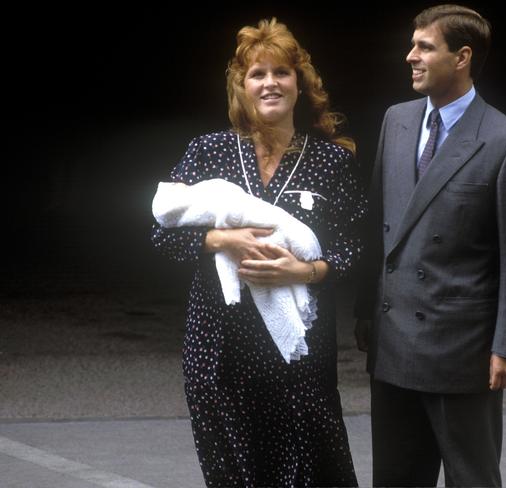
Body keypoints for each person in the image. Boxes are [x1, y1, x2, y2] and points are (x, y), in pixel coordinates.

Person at [152, 18, 365, 487]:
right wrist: (220, 239)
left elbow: (355, 247)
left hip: (298, 347)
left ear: (300, 84)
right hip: (218, 343)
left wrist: (306, 270)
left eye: (281, 72)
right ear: (241, 87)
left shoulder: (332, 161)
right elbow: (161, 235)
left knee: (308, 465)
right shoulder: (208, 151)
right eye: (257, 74)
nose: (270, 83)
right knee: (232, 468)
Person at [354, 4, 506, 487]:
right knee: (395, 478)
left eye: (424, 46)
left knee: (472, 477)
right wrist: (364, 311)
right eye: (412, 44)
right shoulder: (396, 121)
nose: (410, 56)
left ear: (462, 57)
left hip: (462, 350)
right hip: (393, 336)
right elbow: (379, 224)